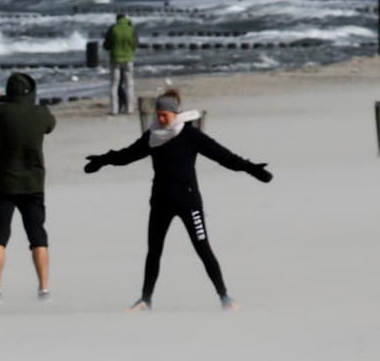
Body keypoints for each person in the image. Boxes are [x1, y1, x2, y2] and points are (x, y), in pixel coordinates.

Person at [83, 89, 273, 311]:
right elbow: (127, 155)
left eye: (165, 115)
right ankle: (145, 299)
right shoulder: (153, 137)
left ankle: (225, 297)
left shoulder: (191, 135)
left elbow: (224, 157)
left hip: (189, 202)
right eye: (158, 115)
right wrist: (102, 160)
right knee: (154, 252)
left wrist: (251, 169)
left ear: (176, 114)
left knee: (203, 249)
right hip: (160, 202)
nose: (161, 119)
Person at [0, 71, 57, 301]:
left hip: (3, 183)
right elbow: (50, 126)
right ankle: (44, 288)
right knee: (38, 236)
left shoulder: (0, 113)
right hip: (33, 183)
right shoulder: (41, 113)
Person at [103, 13, 138, 115]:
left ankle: (114, 109)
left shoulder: (113, 28)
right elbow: (135, 44)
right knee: (129, 84)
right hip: (128, 59)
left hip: (115, 59)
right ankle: (130, 108)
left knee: (114, 84)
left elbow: (107, 45)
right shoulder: (131, 29)